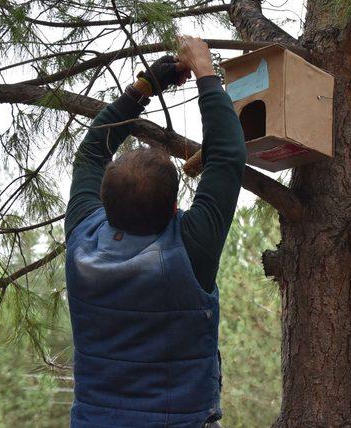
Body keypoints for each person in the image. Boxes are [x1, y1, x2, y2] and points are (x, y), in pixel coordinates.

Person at [64, 36, 246, 427]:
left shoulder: (83, 238)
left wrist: (144, 88)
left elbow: (92, 151)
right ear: (174, 209)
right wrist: (203, 70)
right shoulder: (188, 250)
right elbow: (229, 153)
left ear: (104, 201)